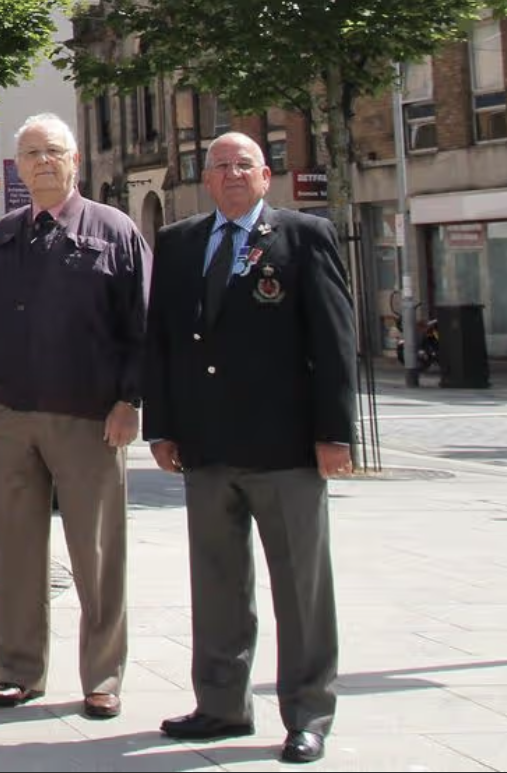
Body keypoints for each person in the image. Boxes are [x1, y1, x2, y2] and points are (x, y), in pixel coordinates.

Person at [145, 131, 357, 766]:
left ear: (268, 176)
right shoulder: (179, 243)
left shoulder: (303, 237)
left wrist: (335, 433)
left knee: (301, 586)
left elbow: (334, 339)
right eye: (220, 166)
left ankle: (309, 712)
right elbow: (160, 342)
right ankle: (221, 704)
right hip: (206, 447)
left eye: (245, 165)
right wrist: (163, 426)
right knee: (216, 584)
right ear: (204, 178)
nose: (232, 174)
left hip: (285, 447)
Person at [0, 112, 151, 721]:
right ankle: (18, 671)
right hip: (10, 414)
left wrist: (131, 402)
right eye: (31, 154)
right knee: (14, 551)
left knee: (97, 555)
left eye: (53, 152)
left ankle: (103, 677)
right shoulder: (4, 236)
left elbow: (143, 327)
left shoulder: (115, 230)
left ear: (74, 162)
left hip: (87, 417)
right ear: (19, 166)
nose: (42, 162)